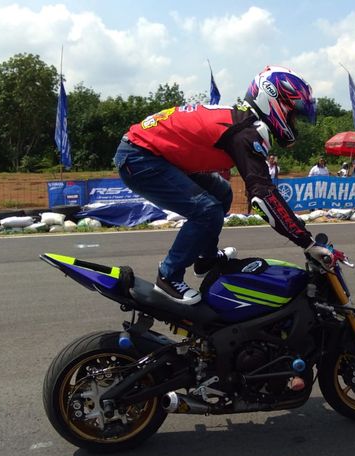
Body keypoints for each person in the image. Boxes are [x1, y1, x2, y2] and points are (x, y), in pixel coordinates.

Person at [113, 65, 331, 304]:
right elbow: (262, 196)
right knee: (207, 211)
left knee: (222, 192)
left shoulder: (243, 122)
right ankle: (168, 276)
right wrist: (306, 242)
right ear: (274, 102)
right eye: (293, 115)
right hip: (139, 156)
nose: (294, 122)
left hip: (151, 152)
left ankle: (205, 259)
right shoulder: (246, 133)